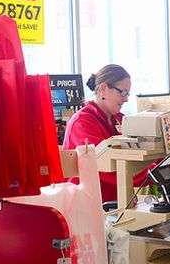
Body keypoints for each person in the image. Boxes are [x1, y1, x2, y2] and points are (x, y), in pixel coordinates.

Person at [63, 64, 147, 203]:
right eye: (123, 93)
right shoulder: (82, 123)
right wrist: (151, 173)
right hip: (88, 205)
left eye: (128, 94)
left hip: (118, 202)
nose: (126, 99)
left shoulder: (119, 119)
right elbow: (106, 166)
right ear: (103, 89)